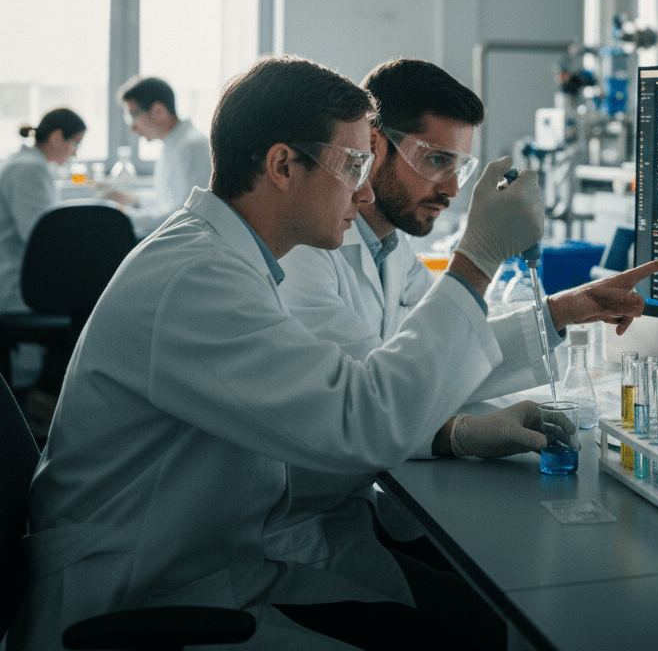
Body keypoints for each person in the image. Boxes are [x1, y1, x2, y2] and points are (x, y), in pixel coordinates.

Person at [10, 54, 553, 651]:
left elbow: (341, 395)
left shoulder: (232, 260)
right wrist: (476, 259)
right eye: (353, 165)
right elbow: (363, 420)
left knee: (462, 617)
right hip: (135, 601)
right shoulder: (198, 279)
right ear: (282, 165)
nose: (367, 189)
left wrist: (453, 428)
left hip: (216, 566)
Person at [273, 57, 658, 577]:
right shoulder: (306, 254)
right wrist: (455, 433)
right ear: (373, 144)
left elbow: (451, 345)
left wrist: (564, 310)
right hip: (297, 534)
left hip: (354, 515)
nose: (452, 188)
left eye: (460, 167)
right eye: (436, 159)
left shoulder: (388, 249)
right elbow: (367, 410)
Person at [0, 107, 87, 434]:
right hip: (14, 286)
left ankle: (42, 397)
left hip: (19, 279)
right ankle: (43, 398)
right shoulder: (27, 171)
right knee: (88, 309)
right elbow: (40, 237)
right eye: (75, 143)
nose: (75, 153)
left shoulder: (31, 167)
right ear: (55, 137)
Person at [111, 75, 212, 235]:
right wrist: (131, 198)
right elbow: (166, 201)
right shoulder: (173, 144)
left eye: (133, 116)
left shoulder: (193, 146)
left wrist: (125, 216)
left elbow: (185, 215)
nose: (132, 128)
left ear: (158, 111)